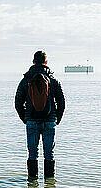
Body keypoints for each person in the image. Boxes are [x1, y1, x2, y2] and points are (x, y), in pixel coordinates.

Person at [15, 50, 65, 179]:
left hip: (31, 120)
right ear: (46, 62)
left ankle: (32, 187)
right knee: (49, 153)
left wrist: (25, 118)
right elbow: (61, 101)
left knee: (32, 153)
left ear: (33, 62)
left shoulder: (25, 80)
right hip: (50, 120)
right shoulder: (53, 80)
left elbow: (18, 102)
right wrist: (56, 119)